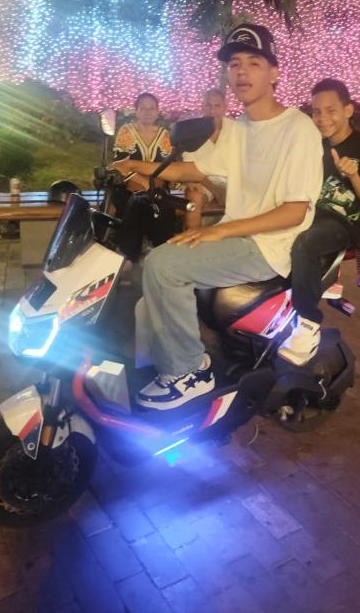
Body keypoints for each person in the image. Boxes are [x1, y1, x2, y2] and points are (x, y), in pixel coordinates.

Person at [111, 23, 323, 410]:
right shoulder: (238, 130)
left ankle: (189, 372)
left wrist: (220, 232)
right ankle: (166, 361)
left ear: (274, 73)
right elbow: (194, 169)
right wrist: (136, 166)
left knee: (163, 266)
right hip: (239, 237)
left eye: (254, 63)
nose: (242, 72)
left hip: (268, 247)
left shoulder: (298, 129)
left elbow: (295, 211)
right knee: (158, 260)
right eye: (235, 64)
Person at [278, 78, 360, 366]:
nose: (322, 118)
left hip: (344, 222)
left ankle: (308, 323)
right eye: (316, 111)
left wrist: (353, 175)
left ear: (348, 110)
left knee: (306, 244)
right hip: (311, 214)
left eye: (331, 110)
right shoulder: (314, 144)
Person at [112, 93, 175, 259]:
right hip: (131, 187)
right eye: (143, 108)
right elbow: (120, 165)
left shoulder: (166, 135)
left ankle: (161, 253)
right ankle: (130, 255)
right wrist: (144, 183)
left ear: (158, 111)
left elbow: (170, 167)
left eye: (152, 108)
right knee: (135, 203)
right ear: (136, 111)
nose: (148, 112)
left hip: (158, 189)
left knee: (162, 205)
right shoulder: (126, 131)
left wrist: (153, 186)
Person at [183, 88, 231, 230]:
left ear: (225, 107)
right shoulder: (192, 131)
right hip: (203, 181)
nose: (212, 110)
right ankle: (192, 239)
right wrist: (216, 190)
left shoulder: (236, 130)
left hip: (231, 181)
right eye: (208, 105)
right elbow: (190, 168)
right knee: (194, 196)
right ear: (202, 107)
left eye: (217, 105)